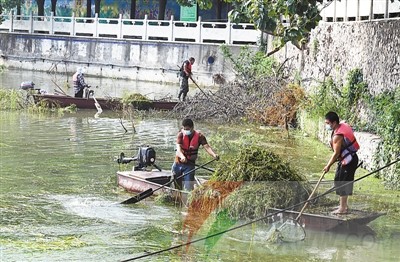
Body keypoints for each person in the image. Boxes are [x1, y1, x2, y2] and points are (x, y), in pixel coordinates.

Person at [323, 111, 360, 215]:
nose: (327, 126)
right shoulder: (342, 125)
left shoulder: (337, 136)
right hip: (345, 160)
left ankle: (342, 209)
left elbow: (336, 153)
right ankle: (343, 205)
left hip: (349, 160)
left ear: (334, 123)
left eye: (328, 123)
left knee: (344, 183)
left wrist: (328, 166)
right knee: (338, 181)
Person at [172, 118, 219, 191]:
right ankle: (177, 197)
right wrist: (182, 156)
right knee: (177, 185)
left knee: (188, 187)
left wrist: (214, 155)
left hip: (190, 164)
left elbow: (207, 147)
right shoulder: (180, 135)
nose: (186, 131)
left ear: (192, 127)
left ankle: (187, 198)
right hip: (178, 163)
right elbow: (178, 149)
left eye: (187, 129)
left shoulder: (200, 136)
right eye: (184, 129)